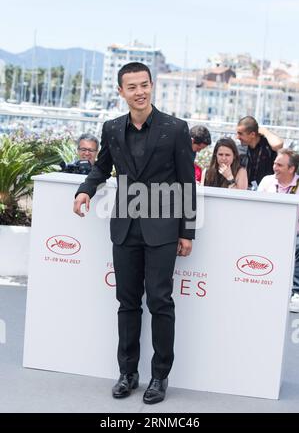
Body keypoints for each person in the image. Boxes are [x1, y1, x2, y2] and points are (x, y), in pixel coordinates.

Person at [73, 62, 196, 404]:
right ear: (121, 92)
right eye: (132, 87)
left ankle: (160, 376)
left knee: (160, 301)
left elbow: (187, 181)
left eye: (144, 85)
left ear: (152, 85)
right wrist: (86, 189)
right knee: (127, 303)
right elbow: (102, 166)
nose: (140, 92)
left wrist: (187, 231)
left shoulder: (175, 128)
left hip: (163, 226)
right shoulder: (112, 128)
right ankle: (127, 373)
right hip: (125, 226)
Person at [258, 148, 299, 313]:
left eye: (280, 165)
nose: (275, 167)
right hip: (268, 233)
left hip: (294, 235)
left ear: (291, 169)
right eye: (275, 163)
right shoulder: (267, 181)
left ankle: (296, 293)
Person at [236, 116, 283, 189]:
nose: (237, 137)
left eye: (240, 134)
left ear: (252, 134)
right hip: (244, 190)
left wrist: (265, 131)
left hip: (265, 190)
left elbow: (278, 144)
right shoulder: (240, 149)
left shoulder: (268, 147)